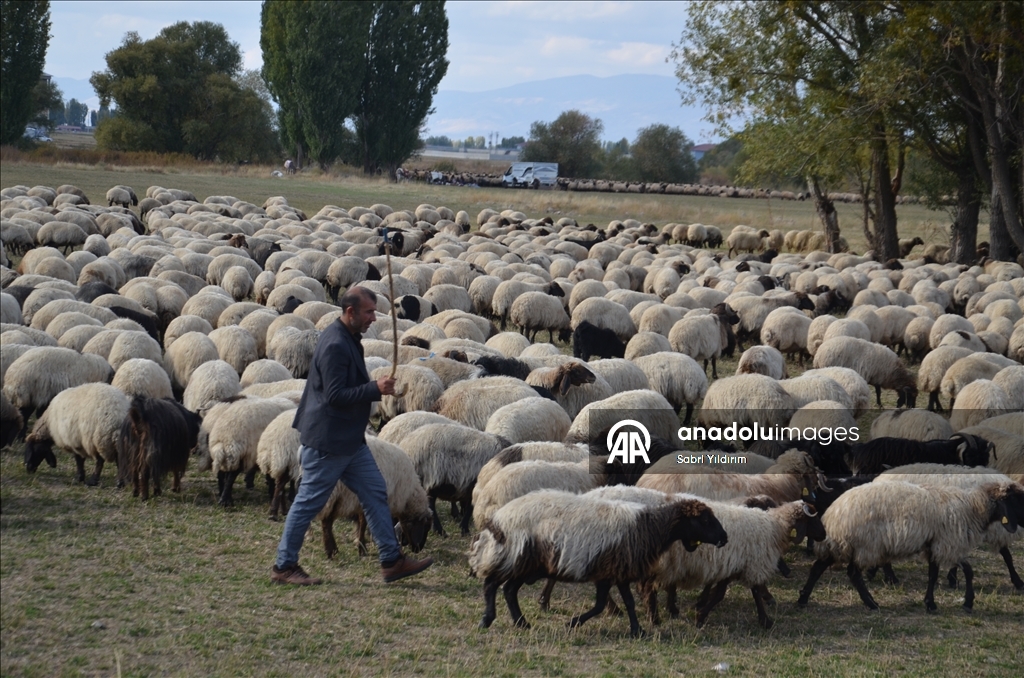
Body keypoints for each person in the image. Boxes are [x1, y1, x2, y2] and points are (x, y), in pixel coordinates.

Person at [271, 287, 433, 585]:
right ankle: (284, 565)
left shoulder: (348, 339)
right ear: (350, 312)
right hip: (329, 441)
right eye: (369, 312)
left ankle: (391, 560)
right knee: (307, 502)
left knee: (375, 492)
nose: (374, 317)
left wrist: (377, 387)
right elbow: (334, 395)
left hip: (349, 440)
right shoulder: (335, 344)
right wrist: (374, 389)